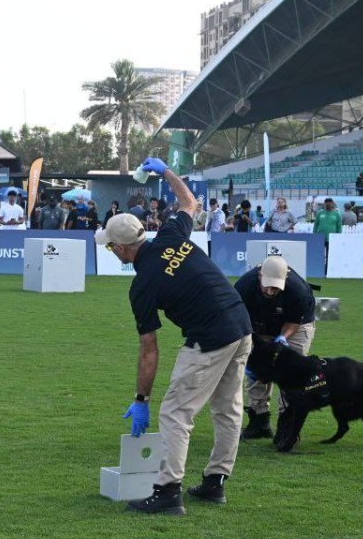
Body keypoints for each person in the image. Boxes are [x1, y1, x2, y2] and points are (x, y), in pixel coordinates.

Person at [97, 157, 253, 515]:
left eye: (110, 246)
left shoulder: (142, 286)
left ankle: (168, 492)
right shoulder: (169, 234)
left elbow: (149, 349)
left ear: (122, 248)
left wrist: (142, 399)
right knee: (228, 409)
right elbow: (189, 202)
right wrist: (166, 170)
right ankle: (215, 483)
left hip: (210, 337)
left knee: (175, 413)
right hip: (241, 323)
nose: (110, 250)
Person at [234, 255, 316, 440]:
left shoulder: (299, 290)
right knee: (257, 373)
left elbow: (293, 323)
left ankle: (287, 426)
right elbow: (239, 320)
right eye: (267, 286)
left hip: (296, 326)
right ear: (260, 276)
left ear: (285, 279)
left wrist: (281, 340)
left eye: (275, 288)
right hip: (257, 325)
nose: (270, 292)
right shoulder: (244, 286)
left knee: (291, 374)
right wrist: (252, 352)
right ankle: (259, 422)